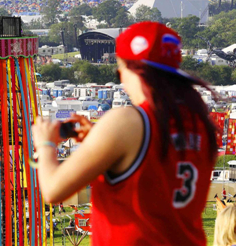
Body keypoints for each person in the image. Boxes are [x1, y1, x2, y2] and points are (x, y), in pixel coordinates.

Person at [32, 21, 218, 245]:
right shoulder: (201, 125)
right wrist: (100, 141)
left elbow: (53, 190)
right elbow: (154, 176)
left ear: (129, 67)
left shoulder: (128, 122)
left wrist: (45, 144)